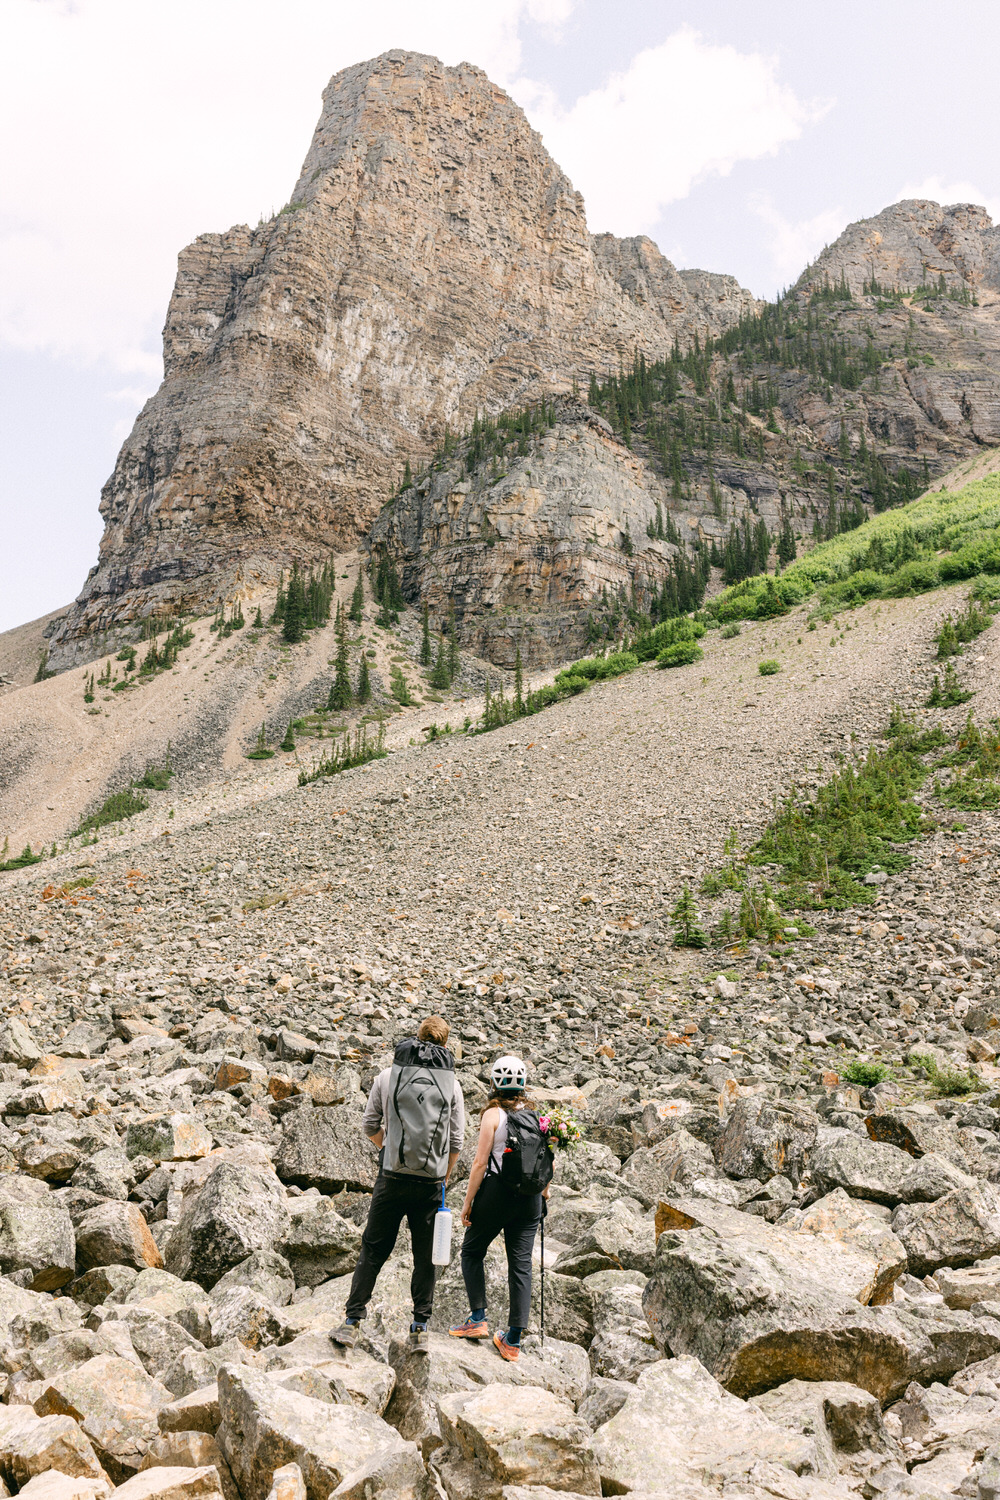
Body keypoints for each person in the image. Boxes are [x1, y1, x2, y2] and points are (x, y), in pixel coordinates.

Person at [331, 1015, 464, 1352]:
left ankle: (352, 1321)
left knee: (374, 1249)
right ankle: (419, 1327)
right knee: (425, 1256)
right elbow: (458, 1141)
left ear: (416, 1039)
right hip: (431, 1183)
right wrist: (442, 1175)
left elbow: (369, 1124)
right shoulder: (452, 1084)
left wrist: (387, 1149)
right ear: (445, 1046)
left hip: (391, 1176)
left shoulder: (388, 1075)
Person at [449, 1054, 551, 1361]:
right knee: (521, 1265)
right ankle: (513, 1340)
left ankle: (478, 1319)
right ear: (523, 1083)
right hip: (530, 1198)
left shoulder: (492, 1115)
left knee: (472, 1251)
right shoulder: (537, 1116)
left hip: (496, 1193)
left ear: (494, 1083)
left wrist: (467, 1203)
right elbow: (547, 1160)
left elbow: (480, 1163)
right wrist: (544, 1193)